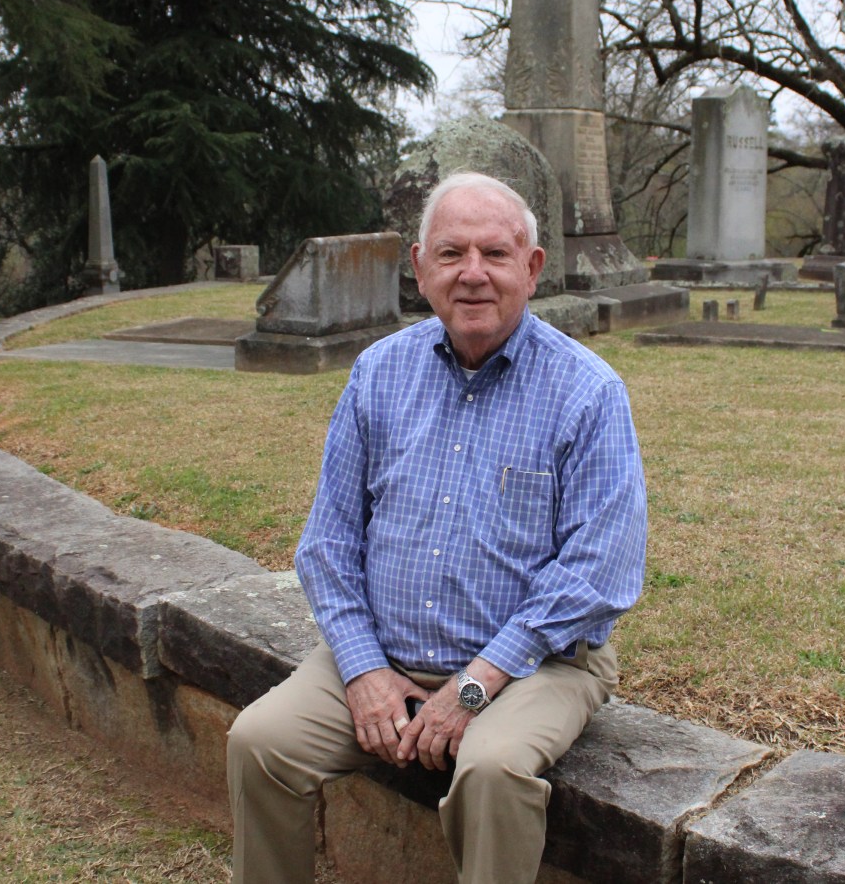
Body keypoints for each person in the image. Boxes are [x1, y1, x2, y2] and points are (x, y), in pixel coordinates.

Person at [226, 171, 647, 884]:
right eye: (451, 254)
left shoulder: (589, 393)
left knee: (491, 769)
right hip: (385, 651)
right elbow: (328, 546)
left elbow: (598, 572)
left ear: (533, 269)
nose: (473, 275)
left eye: (496, 254)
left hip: (536, 665)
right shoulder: (377, 374)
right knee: (258, 742)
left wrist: (472, 688)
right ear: (419, 268)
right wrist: (362, 671)